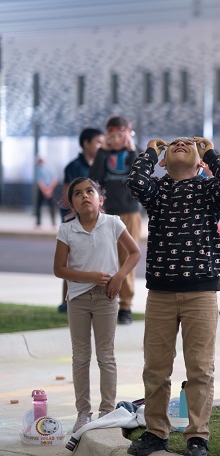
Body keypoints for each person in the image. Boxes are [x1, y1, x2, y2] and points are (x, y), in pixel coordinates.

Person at [126, 136, 220, 456]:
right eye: (173, 145)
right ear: (163, 162)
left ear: (200, 161)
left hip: (201, 293)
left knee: (200, 368)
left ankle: (197, 436)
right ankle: (156, 432)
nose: (181, 144)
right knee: (155, 368)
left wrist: (210, 153)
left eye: (189, 145)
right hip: (161, 293)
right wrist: (151, 152)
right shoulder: (157, 190)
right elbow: (135, 180)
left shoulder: (209, 191)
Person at [53, 177, 141, 432]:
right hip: (78, 299)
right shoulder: (66, 230)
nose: (84, 196)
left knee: (106, 355)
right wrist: (90, 277)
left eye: (89, 191)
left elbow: (134, 253)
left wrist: (119, 277)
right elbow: (59, 269)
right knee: (80, 356)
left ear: (100, 199)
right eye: (77, 194)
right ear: (72, 203)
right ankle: (83, 412)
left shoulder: (113, 223)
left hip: (107, 299)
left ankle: (107, 411)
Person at [90, 116, 141, 325]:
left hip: (129, 211)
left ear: (128, 133)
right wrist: (103, 150)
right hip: (106, 212)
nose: (117, 138)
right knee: (103, 256)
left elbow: (141, 175)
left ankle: (126, 306)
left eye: (121, 134)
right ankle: (104, 301)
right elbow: (93, 179)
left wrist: (131, 150)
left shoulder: (134, 154)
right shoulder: (103, 154)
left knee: (128, 257)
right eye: (112, 134)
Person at [58, 128, 105, 313]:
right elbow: (67, 194)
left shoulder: (101, 164)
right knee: (72, 259)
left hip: (96, 217)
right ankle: (66, 300)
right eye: (98, 142)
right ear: (86, 143)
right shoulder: (74, 167)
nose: (101, 146)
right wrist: (74, 217)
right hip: (76, 218)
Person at [34, 157, 58, 228]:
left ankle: (53, 222)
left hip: (47, 189)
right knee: (40, 205)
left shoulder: (42, 168)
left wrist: (49, 189)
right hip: (45, 189)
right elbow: (40, 181)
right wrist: (47, 190)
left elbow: (54, 179)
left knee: (51, 206)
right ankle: (39, 222)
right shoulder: (39, 168)